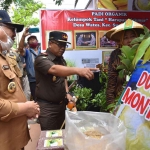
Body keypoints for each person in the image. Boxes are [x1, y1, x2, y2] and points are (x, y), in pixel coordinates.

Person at [34, 31, 99, 130]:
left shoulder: (61, 60)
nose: (63, 48)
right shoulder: (41, 59)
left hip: (61, 105)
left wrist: (67, 92)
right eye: (60, 44)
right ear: (50, 44)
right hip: (47, 108)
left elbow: (63, 77)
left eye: (64, 45)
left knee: (62, 134)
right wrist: (78, 70)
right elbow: (54, 70)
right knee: (50, 138)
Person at [0, 10, 40, 150]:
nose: (13, 34)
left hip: (13, 138)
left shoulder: (4, 57)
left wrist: (25, 108)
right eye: (11, 29)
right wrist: (24, 108)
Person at [105, 19, 144, 107]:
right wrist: (111, 105)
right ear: (121, 41)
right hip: (121, 99)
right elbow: (111, 82)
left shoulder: (144, 54)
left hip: (141, 100)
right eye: (125, 38)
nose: (129, 40)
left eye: (132, 36)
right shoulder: (116, 54)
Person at [18, 29, 41, 101]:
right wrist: (23, 37)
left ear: (37, 41)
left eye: (34, 39)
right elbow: (20, 49)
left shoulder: (42, 52)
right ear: (28, 43)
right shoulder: (27, 52)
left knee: (45, 99)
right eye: (30, 40)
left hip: (43, 79)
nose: (32, 40)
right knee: (36, 98)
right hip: (33, 80)